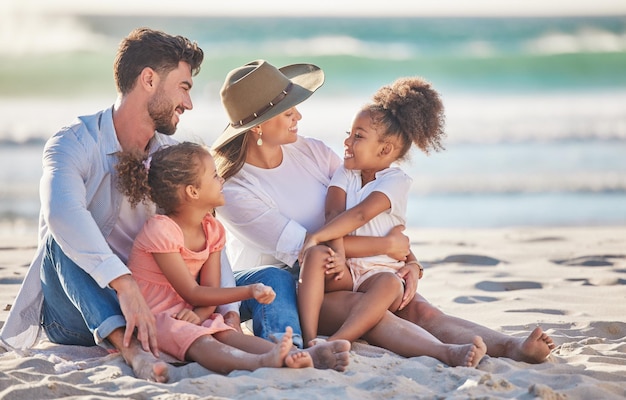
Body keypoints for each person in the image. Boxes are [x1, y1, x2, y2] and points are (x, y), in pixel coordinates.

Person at [212, 59, 555, 365]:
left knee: (419, 308)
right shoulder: (235, 189)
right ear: (258, 126)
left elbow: (365, 206)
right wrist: (386, 248)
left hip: (358, 266)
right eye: (288, 112)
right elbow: (305, 247)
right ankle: (444, 353)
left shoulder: (312, 151)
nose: (298, 116)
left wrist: (409, 260)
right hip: (302, 286)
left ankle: (512, 347)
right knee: (373, 314)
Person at [0, 27, 207, 382]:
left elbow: (202, 228)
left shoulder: (170, 161)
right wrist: (123, 284)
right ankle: (132, 352)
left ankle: (294, 345)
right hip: (73, 312)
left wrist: (222, 309)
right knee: (57, 240)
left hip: (151, 304)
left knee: (265, 279)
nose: (188, 103)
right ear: (148, 79)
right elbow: (62, 214)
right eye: (184, 88)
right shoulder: (74, 142)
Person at [295, 76, 486, 367]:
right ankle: (310, 340)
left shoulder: (396, 181)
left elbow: (360, 214)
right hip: (346, 271)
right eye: (349, 133)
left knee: (389, 283)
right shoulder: (345, 173)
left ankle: (338, 340)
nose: (347, 141)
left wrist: (318, 236)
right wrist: (334, 251)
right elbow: (334, 215)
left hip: (378, 272)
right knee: (316, 255)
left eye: (358, 136)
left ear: (385, 150)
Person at [115, 142, 315, 373]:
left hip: (188, 311)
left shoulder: (212, 229)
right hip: (154, 318)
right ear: (193, 191)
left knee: (224, 332)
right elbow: (193, 292)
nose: (221, 181)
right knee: (202, 340)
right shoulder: (161, 230)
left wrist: (198, 314)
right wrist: (249, 291)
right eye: (214, 176)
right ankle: (259, 362)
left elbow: (210, 291)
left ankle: (294, 355)